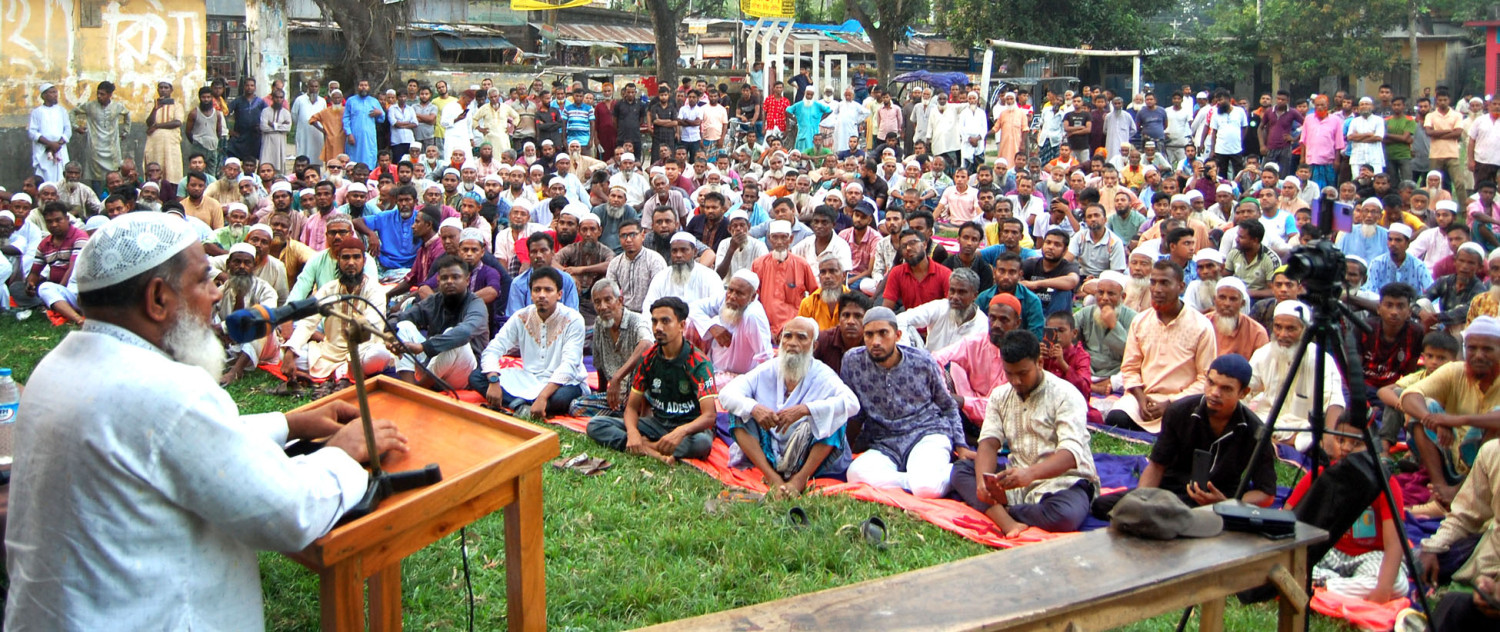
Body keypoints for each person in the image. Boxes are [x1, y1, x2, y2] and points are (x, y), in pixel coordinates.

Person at [4, 212, 404, 630]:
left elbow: (176, 443)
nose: (217, 295)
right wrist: (342, 453)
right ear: (158, 298)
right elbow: (287, 512)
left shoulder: (56, 368)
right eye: (203, 280)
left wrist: (290, 424)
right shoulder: (163, 391)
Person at [949, 328, 1098, 536]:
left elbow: (1071, 456)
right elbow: (989, 442)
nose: (1016, 381)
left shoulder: (1066, 395)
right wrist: (984, 483)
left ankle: (1003, 513)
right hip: (1016, 477)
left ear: (1040, 363)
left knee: (1065, 516)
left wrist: (1029, 474)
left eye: (1023, 373)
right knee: (962, 470)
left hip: (1063, 482)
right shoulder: (1000, 395)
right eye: (1009, 374)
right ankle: (1008, 520)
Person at [1093, 354, 1277, 520]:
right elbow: (1157, 465)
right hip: (1170, 493)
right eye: (1211, 383)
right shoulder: (1180, 412)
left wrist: (1227, 503)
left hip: (1220, 502)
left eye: (1226, 389)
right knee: (1103, 506)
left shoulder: (1255, 431)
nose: (1214, 393)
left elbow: (1266, 494)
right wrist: (1141, 501)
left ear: (1243, 393)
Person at [839, 307, 968, 498]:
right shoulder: (853, 362)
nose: (876, 342)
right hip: (885, 442)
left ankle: (950, 474)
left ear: (897, 335)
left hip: (926, 432)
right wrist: (848, 448)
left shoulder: (922, 361)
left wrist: (961, 445)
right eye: (869, 335)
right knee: (855, 473)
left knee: (927, 489)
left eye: (883, 333)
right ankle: (916, 480)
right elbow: (854, 412)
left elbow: (947, 405)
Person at [722, 317, 859, 495]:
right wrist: (755, 408)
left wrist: (805, 409)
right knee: (739, 412)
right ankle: (773, 478)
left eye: (801, 338)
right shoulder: (768, 369)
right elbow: (727, 394)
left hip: (805, 454)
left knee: (835, 417)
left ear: (814, 346)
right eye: (788, 336)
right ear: (780, 341)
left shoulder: (822, 374)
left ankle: (799, 480)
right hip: (769, 449)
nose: (792, 343)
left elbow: (851, 403)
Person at [587, 296, 718, 463]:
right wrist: (633, 433)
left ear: (682, 325)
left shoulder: (699, 363)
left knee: (702, 443)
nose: (658, 328)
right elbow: (632, 408)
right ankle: (651, 450)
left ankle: (645, 447)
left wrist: (680, 432)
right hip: (657, 424)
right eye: (655, 322)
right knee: (596, 425)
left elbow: (709, 416)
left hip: (689, 428)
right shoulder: (647, 358)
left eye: (665, 321)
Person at [1400, 316, 1500, 509]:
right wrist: (1434, 421)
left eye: (1487, 349)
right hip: (1451, 456)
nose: (1478, 355)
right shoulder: (1455, 371)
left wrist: (1454, 420)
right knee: (1423, 406)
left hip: (1489, 467)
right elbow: (1409, 396)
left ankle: (1461, 493)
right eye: (1472, 348)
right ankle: (1440, 490)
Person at [1109, 261, 1217, 433]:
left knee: (1188, 425)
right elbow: (1130, 368)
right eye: (1153, 282)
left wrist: (1171, 403)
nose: (1157, 289)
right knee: (1116, 418)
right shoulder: (1140, 321)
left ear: (1181, 287)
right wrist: (1141, 398)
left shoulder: (1201, 326)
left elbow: (1205, 378)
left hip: (1182, 401)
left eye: (1165, 283)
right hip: (1143, 399)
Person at [280, 236, 393, 392]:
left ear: (364, 261)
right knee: (285, 355)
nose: (351, 262)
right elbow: (309, 322)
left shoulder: (375, 290)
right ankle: (339, 374)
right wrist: (291, 351)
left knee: (380, 355)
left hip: (362, 352)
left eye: (356, 257)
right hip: (329, 352)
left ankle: (341, 373)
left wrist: (349, 361)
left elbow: (373, 328)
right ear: (338, 261)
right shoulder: (329, 289)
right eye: (346, 257)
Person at [475, 266, 589, 418]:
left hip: (562, 383)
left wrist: (543, 397)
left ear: (559, 294)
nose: (542, 295)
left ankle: (516, 403)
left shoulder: (573, 319)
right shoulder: (521, 317)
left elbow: (569, 365)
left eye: (548, 290)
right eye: (537, 290)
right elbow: (493, 349)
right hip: (528, 378)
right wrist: (494, 381)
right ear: (531, 295)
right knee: (477, 377)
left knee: (560, 398)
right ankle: (523, 406)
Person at [1247, 301, 1347, 452]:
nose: (1282, 335)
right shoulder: (1263, 353)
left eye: (1291, 328)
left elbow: (1334, 402)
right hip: (1266, 419)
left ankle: (1277, 443)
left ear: (1305, 329)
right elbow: (1246, 386)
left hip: (1304, 427)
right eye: (1278, 327)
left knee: (1310, 439)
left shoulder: (1321, 358)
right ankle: (1280, 442)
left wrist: (1329, 440)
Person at [389, 255, 487, 392]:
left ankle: (419, 390)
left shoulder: (476, 304)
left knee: (455, 337)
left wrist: (423, 347)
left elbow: (465, 333)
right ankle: (409, 388)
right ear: (438, 281)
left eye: (455, 277)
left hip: (465, 372)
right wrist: (389, 334)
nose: (449, 282)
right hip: (433, 366)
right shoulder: (435, 300)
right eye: (445, 278)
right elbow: (400, 317)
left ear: (467, 280)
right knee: (403, 327)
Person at [933, 294, 1022, 433]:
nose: (996, 325)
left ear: (1017, 323)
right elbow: (935, 360)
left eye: (1004, 320)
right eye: (992, 318)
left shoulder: (1022, 356)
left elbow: (1002, 407)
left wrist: (963, 401)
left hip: (1004, 421)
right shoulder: (973, 343)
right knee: (951, 368)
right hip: (966, 413)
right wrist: (944, 392)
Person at [570, 279, 653, 419]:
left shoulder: (636, 321)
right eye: (597, 302)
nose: (602, 307)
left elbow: (647, 344)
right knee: (575, 406)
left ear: (619, 301)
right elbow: (599, 364)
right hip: (618, 397)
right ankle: (625, 415)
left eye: (608, 300)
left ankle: (630, 413)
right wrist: (603, 392)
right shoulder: (599, 324)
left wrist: (617, 377)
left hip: (639, 393)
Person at [212, 243, 281, 386]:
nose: (242, 266)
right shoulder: (223, 290)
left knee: (261, 322)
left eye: (247, 262)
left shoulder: (265, 290)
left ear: (253, 266)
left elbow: (262, 315)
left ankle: (236, 371)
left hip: (262, 348)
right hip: (231, 345)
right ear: (228, 264)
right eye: (237, 262)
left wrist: (224, 327)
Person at [687, 270, 774, 381]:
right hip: (713, 364)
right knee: (690, 323)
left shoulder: (753, 315)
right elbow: (692, 308)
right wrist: (711, 327)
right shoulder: (725, 298)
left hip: (738, 377)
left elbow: (765, 356)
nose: (732, 296)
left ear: (753, 297)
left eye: (739, 293)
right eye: (730, 290)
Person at [896, 267, 987, 353]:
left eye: (961, 292)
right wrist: (907, 353)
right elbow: (899, 319)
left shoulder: (983, 326)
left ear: (974, 296)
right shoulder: (940, 307)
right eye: (952, 291)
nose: (955, 297)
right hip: (928, 365)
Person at [750, 220, 816, 338]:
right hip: (766, 327)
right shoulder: (758, 264)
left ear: (790, 239)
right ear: (769, 239)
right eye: (775, 237)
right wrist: (764, 328)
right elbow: (753, 299)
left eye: (783, 237)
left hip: (795, 327)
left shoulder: (801, 264)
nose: (779, 242)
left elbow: (814, 295)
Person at [27, 203, 89, 327]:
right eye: (49, 222)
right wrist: (31, 285)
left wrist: (59, 290)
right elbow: (34, 272)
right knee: (44, 287)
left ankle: (72, 315)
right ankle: (76, 317)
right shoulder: (44, 244)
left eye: (58, 220)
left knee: (49, 290)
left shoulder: (79, 237)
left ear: (67, 219)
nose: (54, 225)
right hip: (63, 294)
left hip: (81, 291)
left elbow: (73, 267)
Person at [71, 81, 130, 190]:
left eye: (102, 94)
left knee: (115, 174)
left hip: (112, 148)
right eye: (98, 93)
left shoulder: (117, 107)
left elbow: (127, 114)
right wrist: (76, 127)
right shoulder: (90, 106)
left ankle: (114, 197)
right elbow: (73, 112)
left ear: (109, 95)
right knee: (96, 178)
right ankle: (97, 202)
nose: (99, 96)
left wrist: (125, 131)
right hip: (95, 148)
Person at [643, 231, 725, 309]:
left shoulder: (710, 277)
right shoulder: (661, 277)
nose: (678, 255)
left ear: (695, 252)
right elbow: (649, 307)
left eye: (683, 250)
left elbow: (718, 307)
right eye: (674, 251)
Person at [506, 233, 580, 318]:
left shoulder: (567, 280)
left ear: (553, 253)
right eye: (534, 252)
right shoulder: (518, 283)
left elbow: (572, 316)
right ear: (529, 255)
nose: (539, 255)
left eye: (543, 250)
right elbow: (515, 318)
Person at [1209, 277, 1268, 358]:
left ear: (1242, 303)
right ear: (1215, 300)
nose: (1227, 304)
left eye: (1233, 299)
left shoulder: (1257, 332)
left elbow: (1260, 366)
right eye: (1222, 298)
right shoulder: (1201, 324)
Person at [813, 292, 871, 374]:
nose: (851, 322)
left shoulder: (872, 345)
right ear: (839, 319)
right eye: (846, 315)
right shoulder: (822, 340)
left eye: (858, 316)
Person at [29, 83, 71, 183]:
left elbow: (68, 130)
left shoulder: (62, 111)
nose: (55, 95)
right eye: (52, 93)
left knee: (61, 177)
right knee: (44, 178)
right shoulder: (37, 112)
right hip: (44, 150)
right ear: (44, 96)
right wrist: (50, 144)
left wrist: (57, 144)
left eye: (55, 92)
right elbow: (32, 132)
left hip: (60, 149)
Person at [145, 81, 186, 183]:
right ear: (158, 90)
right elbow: (149, 123)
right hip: (155, 145)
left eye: (166, 87)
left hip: (171, 145)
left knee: (171, 170)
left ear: (171, 90)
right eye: (161, 88)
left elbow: (177, 122)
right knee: (155, 167)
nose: (163, 90)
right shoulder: (152, 105)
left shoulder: (177, 105)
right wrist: (155, 109)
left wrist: (157, 126)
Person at [342, 80, 386, 170]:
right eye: (361, 85)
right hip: (354, 136)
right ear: (358, 87)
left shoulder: (374, 101)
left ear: (369, 87)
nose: (363, 87)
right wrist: (349, 134)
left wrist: (380, 113)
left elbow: (382, 119)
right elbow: (346, 118)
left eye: (365, 85)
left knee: (369, 156)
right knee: (354, 158)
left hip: (369, 137)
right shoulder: (351, 101)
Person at [258, 90, 292, 169]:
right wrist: (281, 126)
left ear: (283, 99)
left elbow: (287, 128)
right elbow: (263, 127)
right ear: (272, 98)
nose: (279, 100)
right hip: (267, 142)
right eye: (276, 97)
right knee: (265, 163)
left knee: (279, 165)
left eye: (281, 97)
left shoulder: (286, 113)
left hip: (280, 143)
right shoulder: (265, 111)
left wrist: (273, 125)